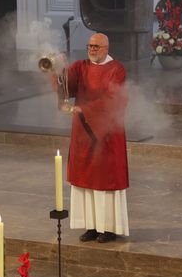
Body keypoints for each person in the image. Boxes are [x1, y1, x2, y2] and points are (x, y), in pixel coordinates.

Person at [55, 33, 129, 244]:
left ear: (106, 47)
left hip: (106, 132)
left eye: (96, 46)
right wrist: (58, 70)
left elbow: (114, 100)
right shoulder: (81, 66)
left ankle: (109, 228)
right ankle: (91, 226)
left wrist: (84, 108)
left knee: (104, 180)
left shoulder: (117, 69)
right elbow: (67, 85)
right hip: (83, 133)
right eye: (89, 46)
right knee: (86, 180)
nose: (92, 49)